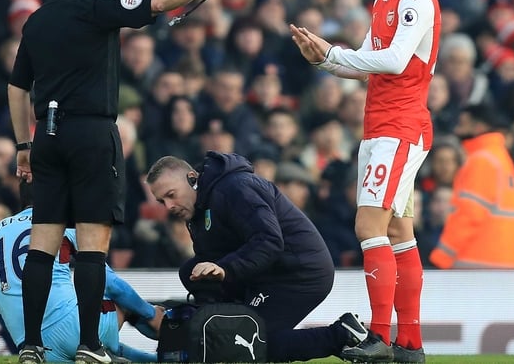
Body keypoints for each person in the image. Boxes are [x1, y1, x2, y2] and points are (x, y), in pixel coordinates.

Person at [7, 0, 248, 364]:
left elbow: (16, 86)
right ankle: (88, 345)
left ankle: (30, 346)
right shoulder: (98, 9)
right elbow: (156, 1)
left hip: (45, 137)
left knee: (42, 245)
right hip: (90, 135)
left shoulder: (38, 20)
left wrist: (23, 144)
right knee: (92, 246)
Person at [288, 0, 441, 362]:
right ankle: (409, 344)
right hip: (382, 128)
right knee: (396, 230)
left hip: (401, 128)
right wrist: (321, 58)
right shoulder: (382, 2)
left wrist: (336, 53)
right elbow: (364, 64)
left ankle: (378, 337)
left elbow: (393, 60)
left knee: (367, 227)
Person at [145, 152, 369, 362]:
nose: (169, 206)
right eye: (161, 201)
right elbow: (214, 259)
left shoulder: (236, 187)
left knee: (250, 344)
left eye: (171, 195)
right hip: (266, 273)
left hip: (300, 272)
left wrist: (226, 269)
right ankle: (211, 333)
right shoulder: (199, 209)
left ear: (192, 178)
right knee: (191, 271)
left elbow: (269, 241)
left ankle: (343, 334)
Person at [0, 182, 165, 364]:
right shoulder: (60, 224)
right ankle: (165, 338)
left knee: (88, 341)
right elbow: (111, 283)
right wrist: (149, 313)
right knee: (117, 303)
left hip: (35, 348)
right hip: (73, 326)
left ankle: (153, 360)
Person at [430, 104, 514, 269]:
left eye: (462, 124)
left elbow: (469, 215)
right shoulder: (502, 159)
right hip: (501, 264)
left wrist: (442, 257)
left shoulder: (481, 161)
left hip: (474, 265)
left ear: (479, 126)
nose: (458, 130)